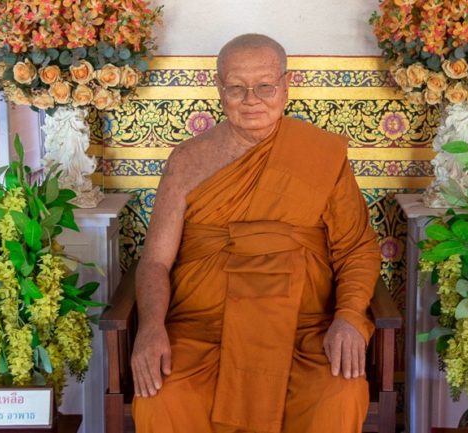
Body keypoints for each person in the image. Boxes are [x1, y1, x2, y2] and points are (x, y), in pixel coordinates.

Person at [131, 33, 381, 433]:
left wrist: (349, 318)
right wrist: (150, 329)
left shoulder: (321, 154)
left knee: (337, 395)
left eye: (265, 85)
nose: (252, 99)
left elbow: (356, 249)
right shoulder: (187, 161)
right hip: (205, 330)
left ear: (285, 86)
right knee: (164, 399)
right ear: (219, 89)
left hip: (304, 328)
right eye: (236, 87)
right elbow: (156, 262)